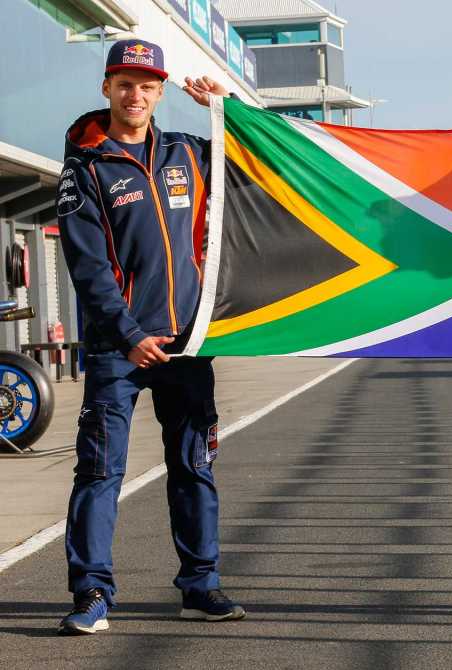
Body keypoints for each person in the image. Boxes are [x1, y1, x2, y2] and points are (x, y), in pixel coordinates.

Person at [55, 39, 243, 635]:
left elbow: (261, 168)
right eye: (124, 83)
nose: (135, 95)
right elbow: (88, 267)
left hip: (188, 344)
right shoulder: (85, 168)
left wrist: (229, 111)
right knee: (99, 472)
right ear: (106, 87)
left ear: (161, 92)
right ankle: (91, 593)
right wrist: (130, 334)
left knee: (194, 467)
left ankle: (200, 586)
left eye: (147, 85)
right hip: (120, 350)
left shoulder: (189, 154)